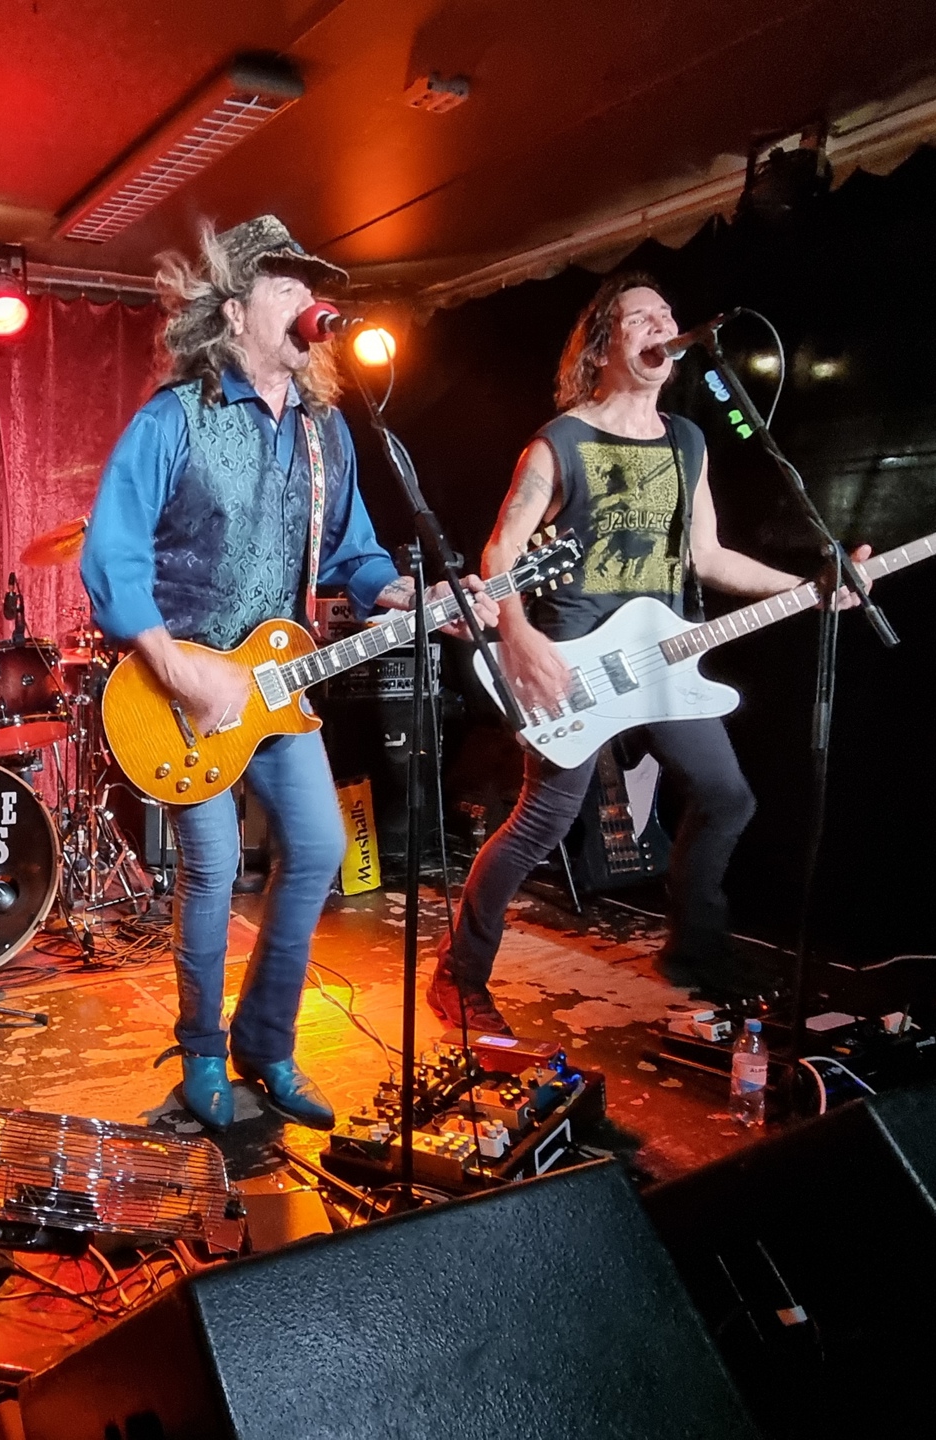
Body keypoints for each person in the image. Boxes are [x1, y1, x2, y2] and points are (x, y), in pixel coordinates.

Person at [79, 215, 484, 1130]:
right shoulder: (174, 419)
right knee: (214, 867)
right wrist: (179, 672)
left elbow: (354, 552)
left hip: (278, 685)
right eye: (287, 284)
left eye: (314, 283)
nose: (312, 300)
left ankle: (267, 1042)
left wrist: (407, 602)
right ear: (235, 312)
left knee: (320, 849)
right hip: (177, 693)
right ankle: (202, 1054)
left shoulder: (325, 431)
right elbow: (111, 560)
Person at [429, 273, 868, 1031]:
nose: (662, 324)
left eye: (668, 314)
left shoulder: (687, 441)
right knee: (541, 823)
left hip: (662, 659)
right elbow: (500, 551)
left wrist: (812, 587)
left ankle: (694, 948)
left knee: (728, 796)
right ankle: (459, 972)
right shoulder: (560, 439)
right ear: (604, 344)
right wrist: (520, 635)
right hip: (573, 657)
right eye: (641, 317)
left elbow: (709, 556)